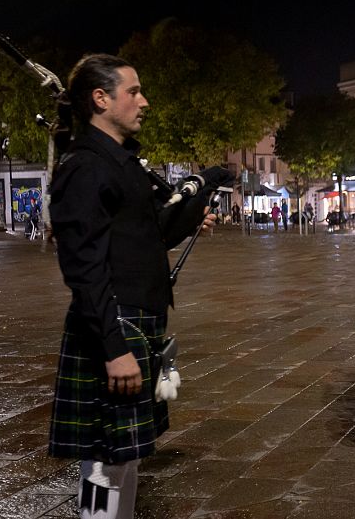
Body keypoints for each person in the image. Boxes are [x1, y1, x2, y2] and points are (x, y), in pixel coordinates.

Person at [48, 53, 217, 519]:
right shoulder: (85, 166)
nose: (144, 101)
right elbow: (84, 269)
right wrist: (113, 348)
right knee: (104, 459)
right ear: (101, 99)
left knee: (125, 456)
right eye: (134, 91)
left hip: (136, 321)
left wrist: (186, 219)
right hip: (115, 328)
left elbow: (147, 236)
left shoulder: (120, 163)